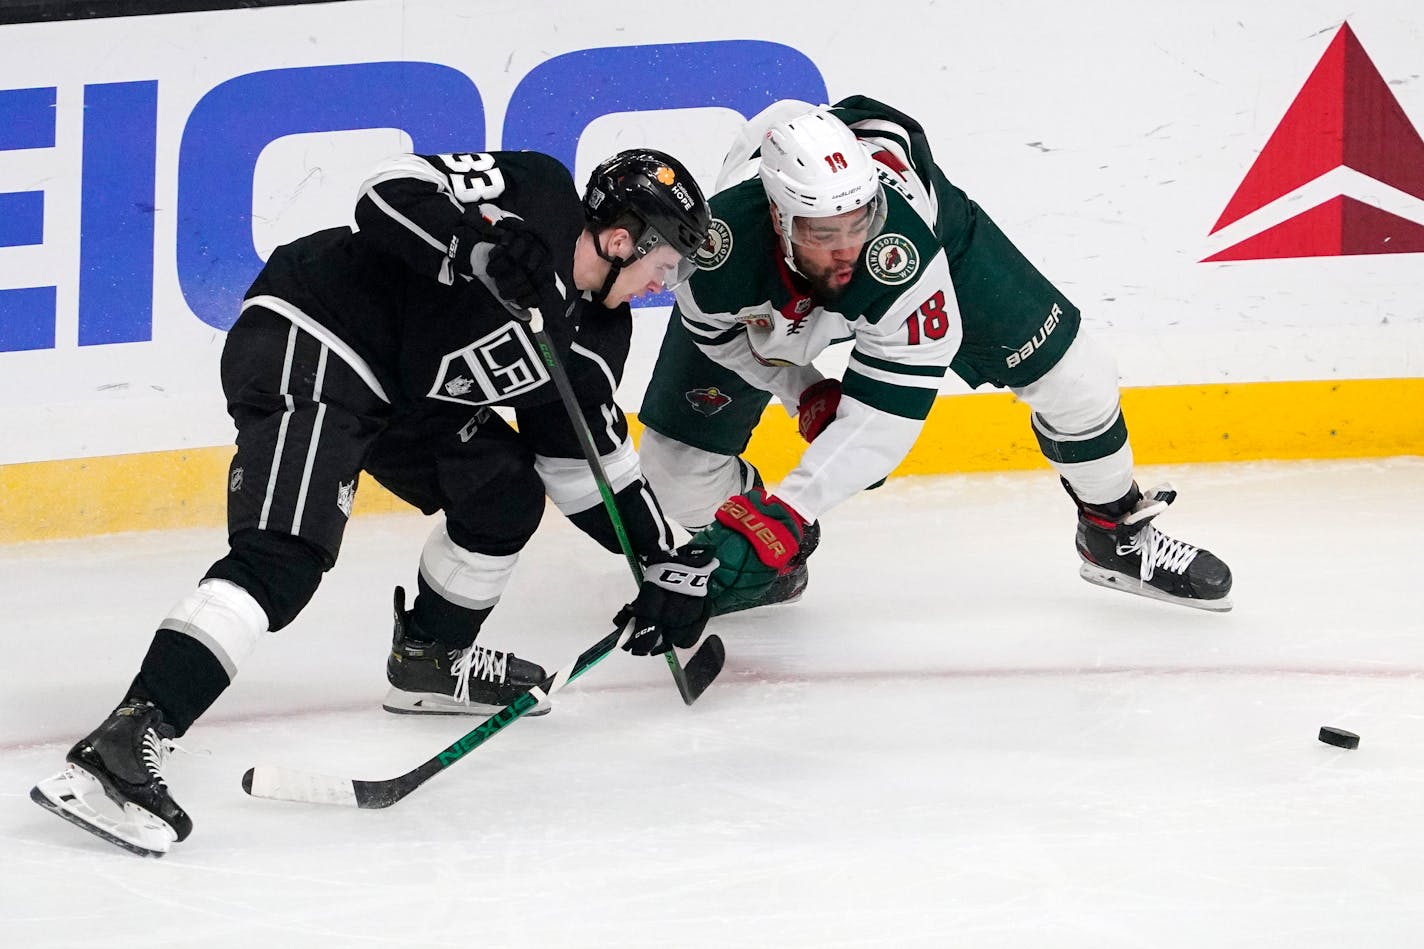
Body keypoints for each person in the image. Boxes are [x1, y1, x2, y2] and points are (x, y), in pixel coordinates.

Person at [31, 146, 711, 856]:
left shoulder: (598, 336)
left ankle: (430, 656)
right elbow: (388, 188)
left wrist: (666, 560)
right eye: (661, 267)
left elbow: (584, 467)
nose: (659, 284)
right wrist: (474, 248)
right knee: (283, 556)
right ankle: (123, 744)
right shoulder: (537, 190)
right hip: (318, 330)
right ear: (621, 239)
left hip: (404, 401)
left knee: (505, 492)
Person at [621, 96, 1232, 652]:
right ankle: (756, 562)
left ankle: (1112, 534)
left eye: (857, 225)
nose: (847, 251)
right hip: (767, 293)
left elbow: (882, 423)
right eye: (824, 233)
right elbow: (725, 340)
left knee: (1081, 381)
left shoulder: (900, 251)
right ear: (779, 220)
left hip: (943, 241)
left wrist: (790, 507)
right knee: (675, 470)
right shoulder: (713, 257)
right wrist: (800, 393)